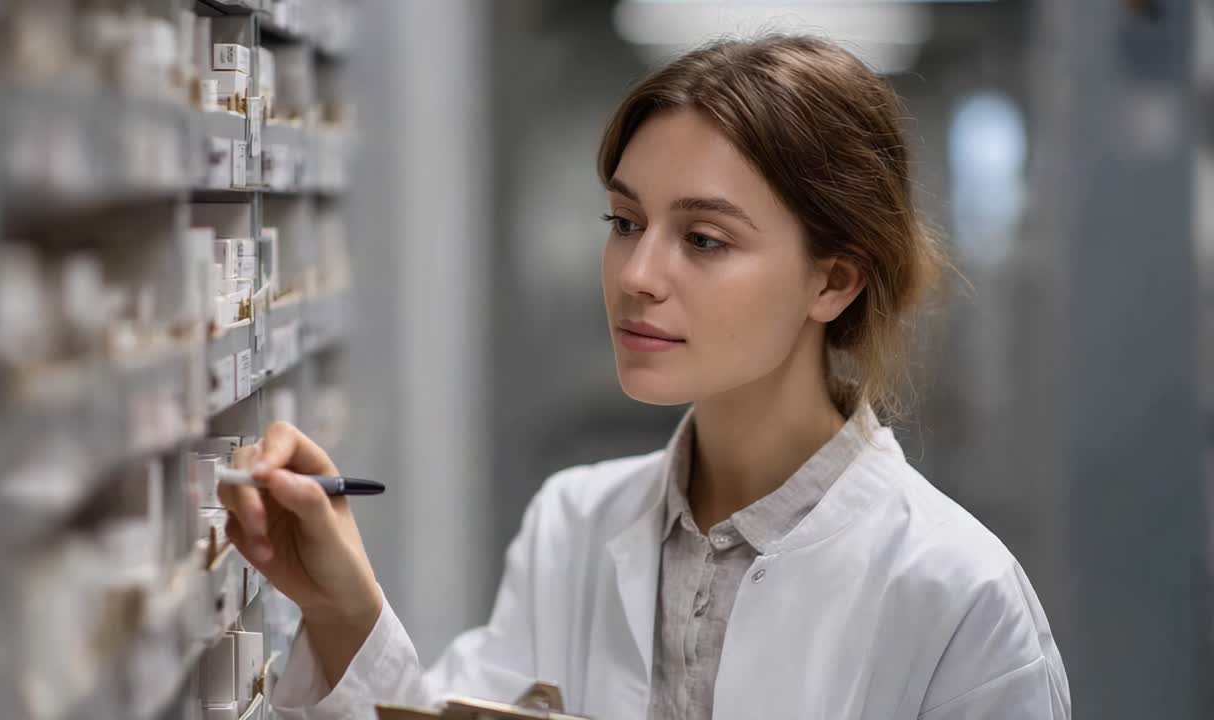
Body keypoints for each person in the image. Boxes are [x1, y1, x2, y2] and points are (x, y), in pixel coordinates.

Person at [220, 35, 1071, 720]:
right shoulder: (572, 527)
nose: (637, 274)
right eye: (625, 222)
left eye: (704, 238)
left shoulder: (960, 599)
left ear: (833, 280)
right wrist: (343, 612)